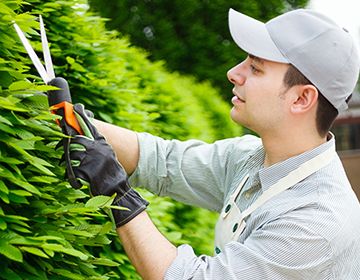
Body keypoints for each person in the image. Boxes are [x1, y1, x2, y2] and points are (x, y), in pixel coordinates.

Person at [67, 8, 360, 280]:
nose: (234, 72)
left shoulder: (317, 222)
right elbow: (160, 161)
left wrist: (117, 193)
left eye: (255, 68)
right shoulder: (249, 158)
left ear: (301, 99)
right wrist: (74, 121)